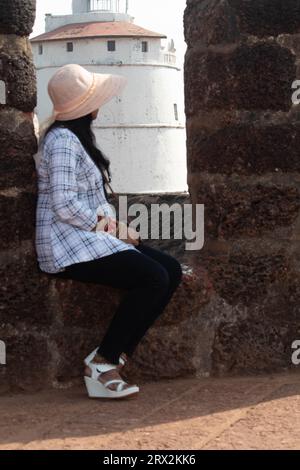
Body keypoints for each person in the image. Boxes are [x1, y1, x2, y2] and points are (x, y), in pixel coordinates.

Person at [34, 64, 183, 399]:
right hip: (67, 245)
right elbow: (64, 205)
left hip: (87, 239)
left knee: (170, 270)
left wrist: (112, 230)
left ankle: (113, 355)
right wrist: (114, 229)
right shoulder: (63, 141)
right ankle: (103, 363)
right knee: (153, 277)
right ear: (86, 105)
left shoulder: (74, 137)